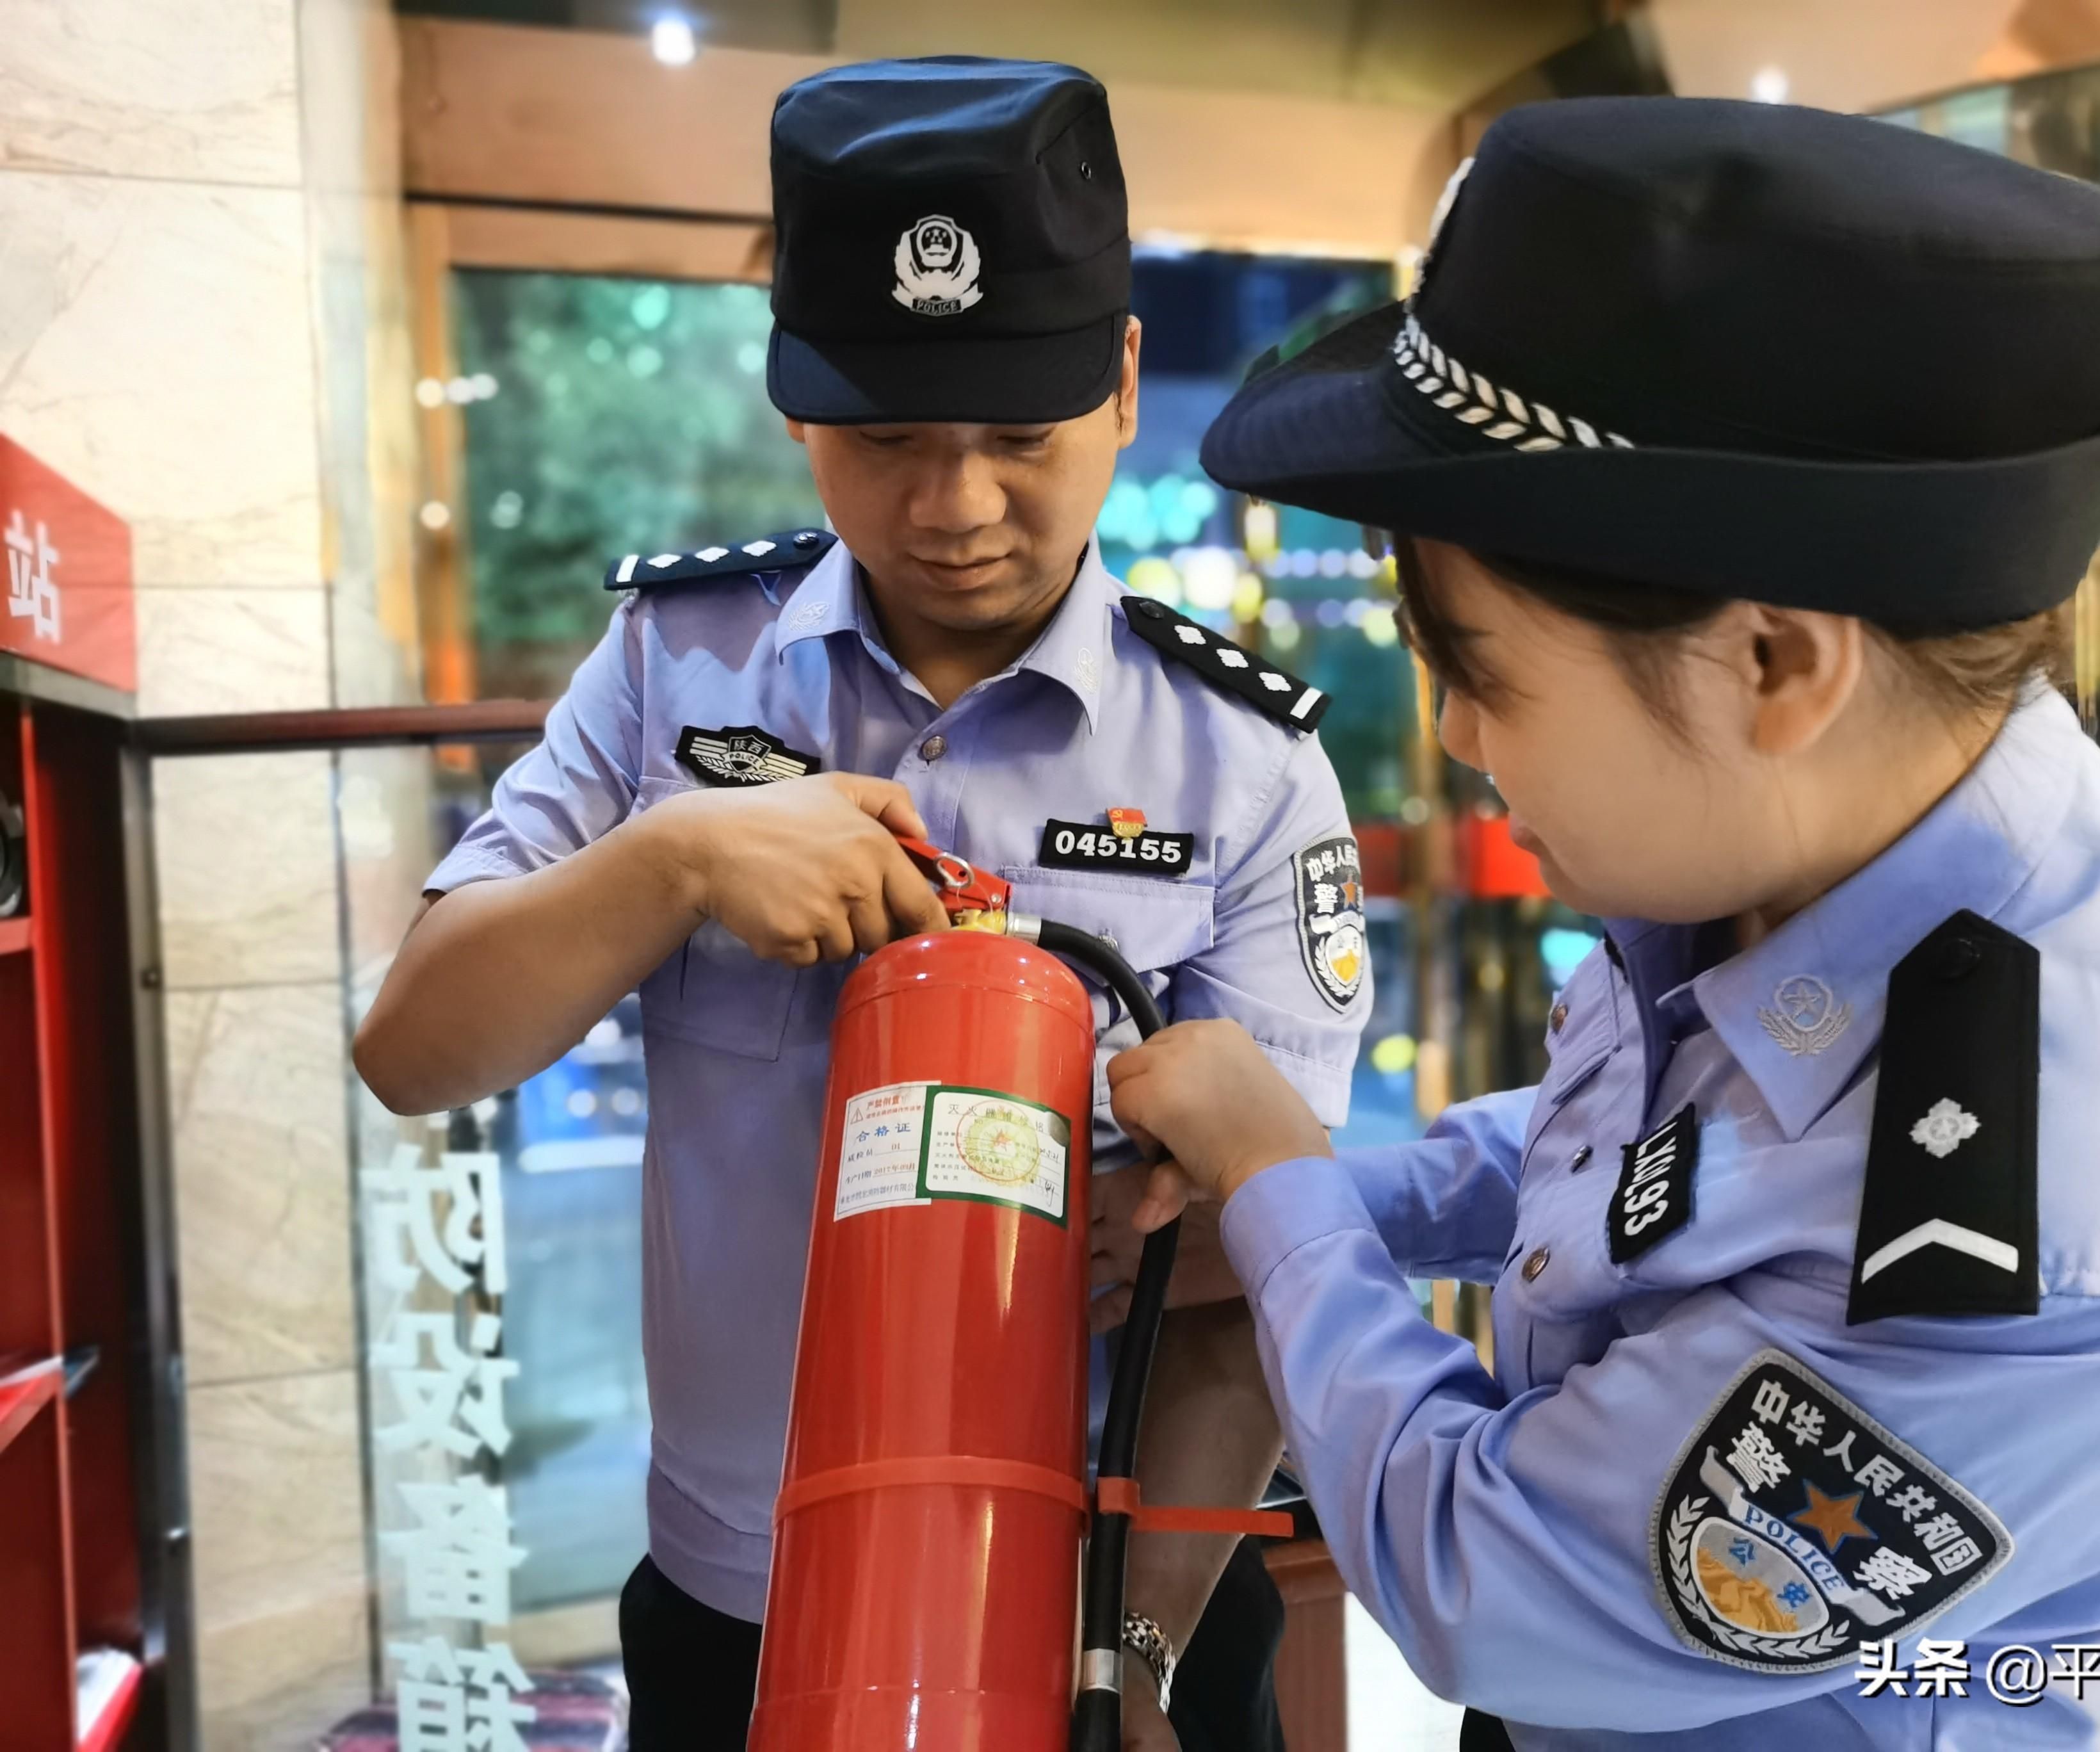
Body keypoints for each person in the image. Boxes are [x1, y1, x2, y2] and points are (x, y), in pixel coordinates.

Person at [1104, 97, 2100, 1748]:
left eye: (1478, 667)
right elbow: (1655, 1155)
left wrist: (1279, 1194)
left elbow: (1499, 1570)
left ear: (1773, 664)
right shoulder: (1837, 839)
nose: (1459, 740)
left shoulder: (2065, 1228)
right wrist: (1370, 1199)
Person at [353, 56, 1366, 1752]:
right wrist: (673, 858)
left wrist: (1128, 1658)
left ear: (1123, 383)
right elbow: (414, 1046)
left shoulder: (1242, 766)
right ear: (795, 404)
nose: (955, 506)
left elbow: (1269, 1270)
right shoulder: (675, 673)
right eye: (888, 438)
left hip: (1110, 1598)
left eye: (1019, 439)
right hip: (738, 1608)